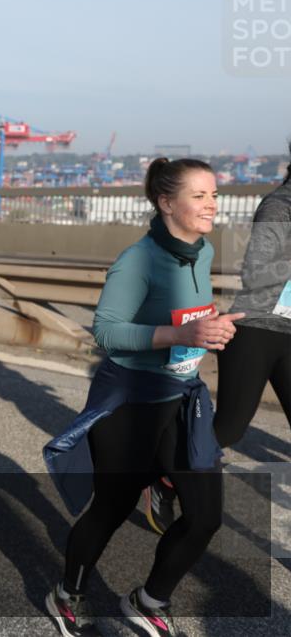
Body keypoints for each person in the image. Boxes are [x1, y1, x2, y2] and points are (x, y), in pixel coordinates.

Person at [43, 158, 244, 637]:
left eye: (214, 194)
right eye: (199, 196)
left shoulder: (203, 250)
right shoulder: (138, 260)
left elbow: (192, 314)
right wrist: (182, 332)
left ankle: (147, 600)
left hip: (183, 397)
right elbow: (106, 333)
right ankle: (66, 593)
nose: (211, 204)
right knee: (112, 507)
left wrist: (210, 327)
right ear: (166, 202)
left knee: (206, 516)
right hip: (130, 401)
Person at [145, 145, 291, 535]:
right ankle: (164, 478)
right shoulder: (279, 206)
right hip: (257, 329)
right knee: (228, 428)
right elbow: (257, 272)